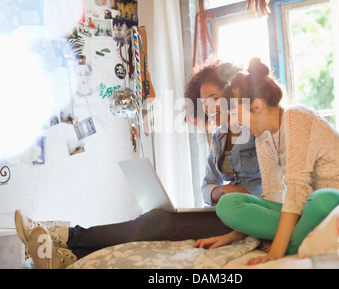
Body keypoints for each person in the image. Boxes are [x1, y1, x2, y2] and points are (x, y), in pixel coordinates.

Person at [15, 56, 262, 269]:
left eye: (214, 98)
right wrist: (223, 190)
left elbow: (273, 189)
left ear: (232, 94)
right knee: (157, 219)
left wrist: (239, 202)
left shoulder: (256, 131)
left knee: (158, 222)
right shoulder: (219, 137)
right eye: (204, 101)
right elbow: (207, 189)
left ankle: (64, 236)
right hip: (225, 211)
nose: (208, 107)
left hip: (249, 215)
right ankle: (70, 254)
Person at [193, 57, 339, 265]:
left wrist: (275, 252)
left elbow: (296, 189)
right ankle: (304, 237)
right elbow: (272, 196)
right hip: (307, 211)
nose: (236, 121)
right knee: (228, 204)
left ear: (256, 107)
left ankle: (290, 245)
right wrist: (230, 237)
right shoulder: (263, 138)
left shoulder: (296, 117)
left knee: (321, 199)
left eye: (235, 113)